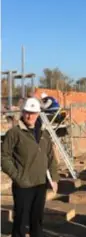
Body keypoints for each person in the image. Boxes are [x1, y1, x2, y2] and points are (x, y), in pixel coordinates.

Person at [1, 97, 59, 237]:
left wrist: (54, 178)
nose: (30, 116)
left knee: (37, 221)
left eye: (33, 113)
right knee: (21, 221)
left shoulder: (44, 134)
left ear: (38, 114)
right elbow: (4, 157)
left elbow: (51, 157)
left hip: (40, 183)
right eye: (27, 112)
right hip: (23, 186)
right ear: (23, 112)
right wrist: (18, 177)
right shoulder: (14, 133)